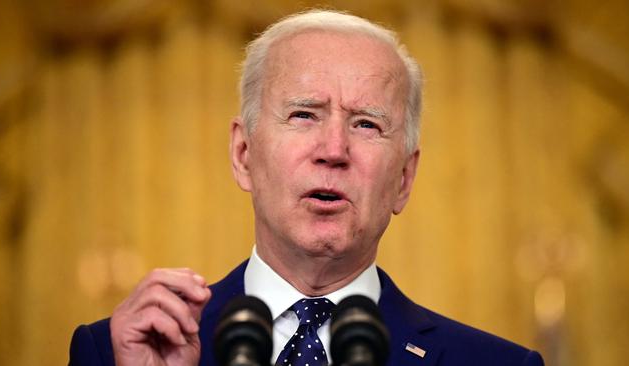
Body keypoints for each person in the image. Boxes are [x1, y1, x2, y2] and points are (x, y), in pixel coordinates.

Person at [69, 9, 544, 366]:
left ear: (403, 179)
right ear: (243, 154)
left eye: (365, 125)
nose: (333, 149)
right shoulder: (119, 350)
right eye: (303, 115)